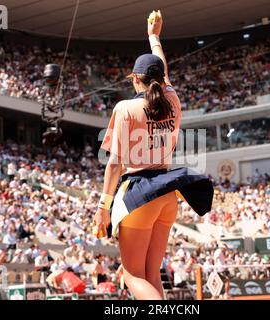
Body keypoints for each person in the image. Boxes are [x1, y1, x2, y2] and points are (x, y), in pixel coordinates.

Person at [92, 10, 213, 300]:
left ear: (135, 79)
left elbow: (115, 164)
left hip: (138, 193)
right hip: (167, 195)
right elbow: (164, 70)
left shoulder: (125, 108)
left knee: (133, 274)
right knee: (150, 274)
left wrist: (102, 207)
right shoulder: (172, 100)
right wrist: (154, 37)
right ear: (159, 79)